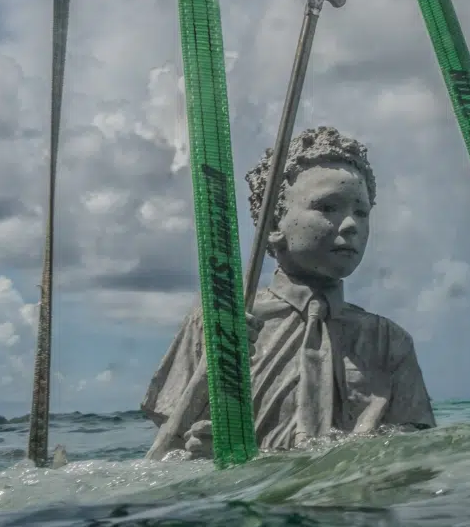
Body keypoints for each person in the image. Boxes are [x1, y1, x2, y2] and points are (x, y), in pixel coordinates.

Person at [141, 125, 436, 460]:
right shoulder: (219, 321)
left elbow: (414, 459)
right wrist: (197, 454)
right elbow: (160, 462)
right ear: (272, 226)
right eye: (327, 207)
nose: (351, 224)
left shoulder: (388, 342)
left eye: (361, 212)